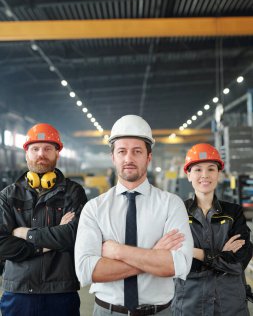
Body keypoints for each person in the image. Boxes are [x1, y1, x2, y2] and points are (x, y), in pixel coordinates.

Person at [75, 115, 193, 316]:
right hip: (107, 311)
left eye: (137, 151)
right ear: (113, 157)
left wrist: (118, 251)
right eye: (122, 151)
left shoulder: (171, 204)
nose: (129, 158)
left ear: (148, 157)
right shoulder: (94, 208)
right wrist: (154, 254)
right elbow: (87, 271)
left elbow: (178, 265)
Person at [0, 123, 87, 316]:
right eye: (35, 148)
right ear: (26, 153)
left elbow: (72, 236)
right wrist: (50, 240)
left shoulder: (73, 192)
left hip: (61, 292)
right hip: (18, 292)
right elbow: (2, 244)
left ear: (57, 153)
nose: (41, 154)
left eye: (48, 148)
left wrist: (24, 233)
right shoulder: (8, 195)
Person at [171, 143, 253, 316]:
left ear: (218, 174)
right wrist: (221, 256)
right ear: (188, 174)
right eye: (198, 170)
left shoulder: (234, 212)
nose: (205, 175)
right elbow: (176, 262)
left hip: (230, 305)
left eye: (211, 169)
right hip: (190, 305)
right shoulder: (176, 212)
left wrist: (195, 252)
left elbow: (239, 262)